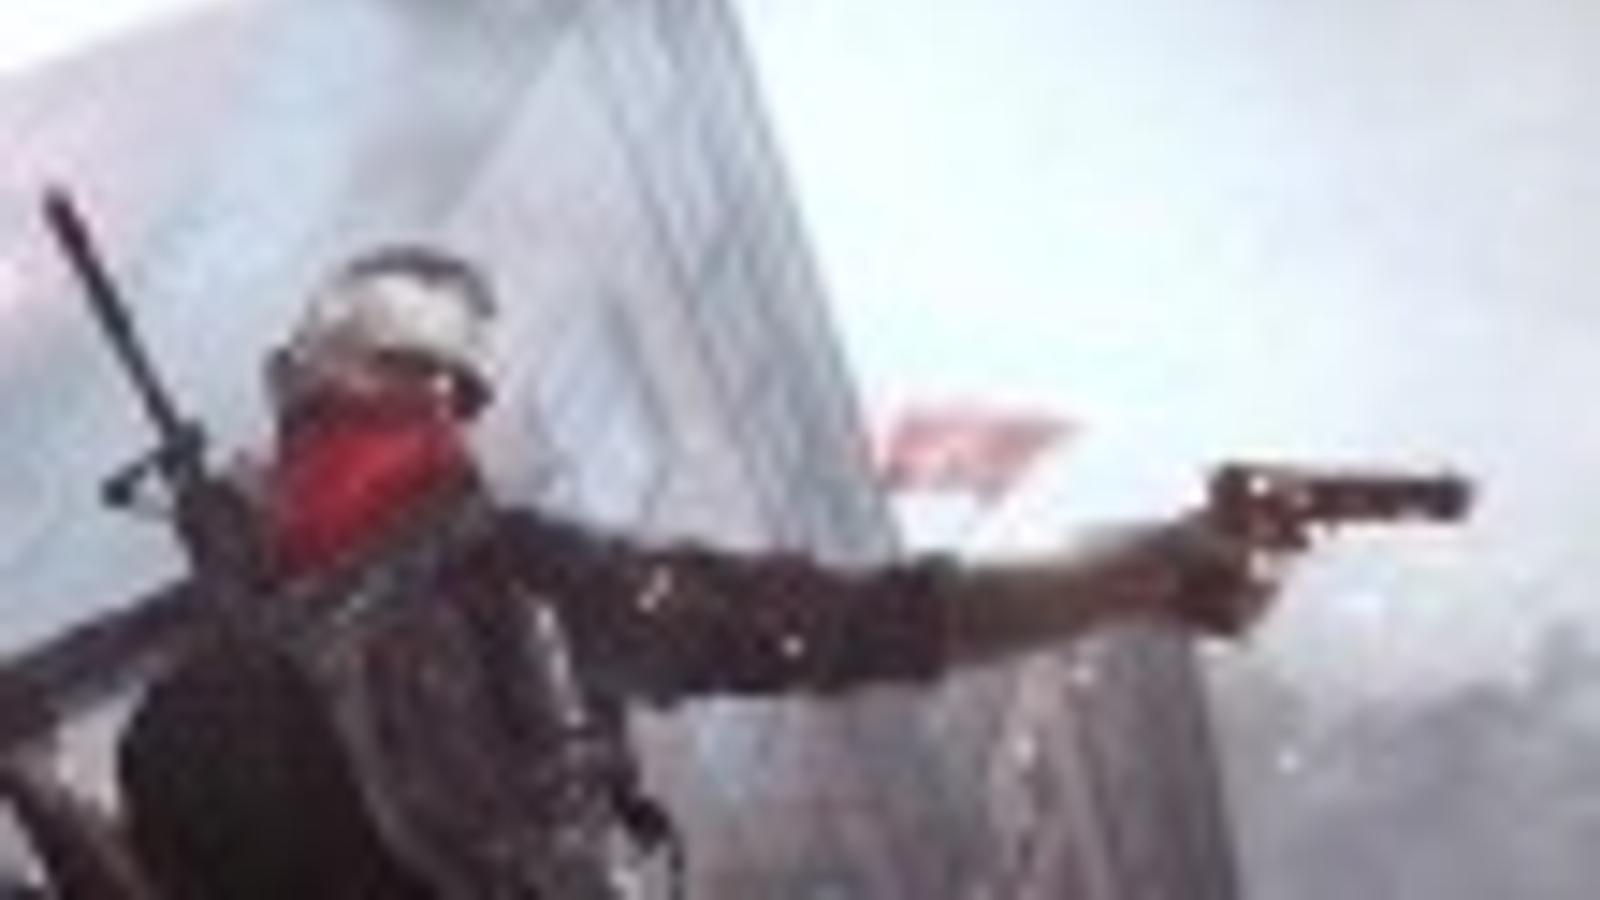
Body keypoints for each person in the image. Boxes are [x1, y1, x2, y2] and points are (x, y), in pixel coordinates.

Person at [3, 247, 1298, 899]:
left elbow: (849, 624)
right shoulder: (205, 673)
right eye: (373, 380)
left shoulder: (521, 584)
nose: (403, 413)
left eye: (423, 389)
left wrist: (1139, 572)